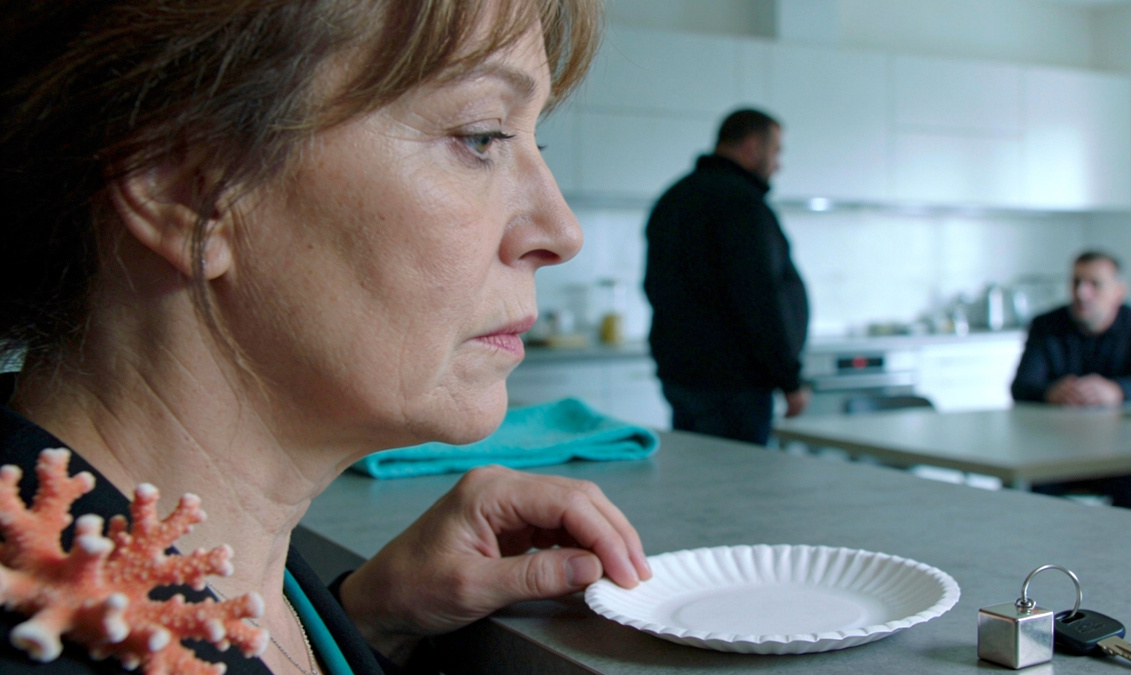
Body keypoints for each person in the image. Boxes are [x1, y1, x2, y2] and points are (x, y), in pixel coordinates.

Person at [0, 1, 653, 673]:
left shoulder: (245, 575)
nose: (562, 232)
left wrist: (367, 622)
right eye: (481, 137)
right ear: (184, 187)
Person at [643, 109, 810, 446]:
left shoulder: (674, 198)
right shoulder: (742, 205)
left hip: (682, 376)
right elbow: (761, 299)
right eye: (776, 151)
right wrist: (790, 380)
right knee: (742, 477)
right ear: (752, 147)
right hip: (735, 385)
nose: (778, 164)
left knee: (695, 470)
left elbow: (653, 287)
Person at [1010, 251, 1131, 511]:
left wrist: (1118, 390)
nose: (1082, 293)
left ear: (1118, 292)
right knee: (1037, 500)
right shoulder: (1047, 325)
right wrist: (1050, 393)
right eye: (1076, 282)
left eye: (1094, 284)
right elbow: (1021, 387)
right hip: (1055, 450)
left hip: (1120, 451)